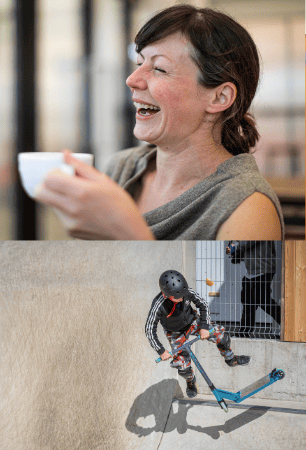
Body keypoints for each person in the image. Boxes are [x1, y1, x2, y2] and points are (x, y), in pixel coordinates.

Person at [36, 5, 282, 241]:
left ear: (220, 97)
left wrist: (129, 234)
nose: (132, 79)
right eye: (139, 63)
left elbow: (230, 287)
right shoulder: (122, 168)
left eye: (160, 69)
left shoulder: (249, 207)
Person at [146, 270, 249, 398]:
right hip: (175, 332)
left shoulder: (186, 291)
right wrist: (161, 350)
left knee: (220, 334)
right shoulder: (158, 304)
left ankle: (230, 358)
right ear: (166, 294)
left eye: (183, 295)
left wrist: (204, 327)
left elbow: (203, 305)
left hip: (193, 321)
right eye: (178, 298)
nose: (182, 298)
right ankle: (190, 382)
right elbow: (149, 330)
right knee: (182, 363)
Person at [227, 241, 281, 338]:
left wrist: (234, 247)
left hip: (262, 269)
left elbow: (247, 243)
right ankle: (243, 332)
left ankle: (288, 323)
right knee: (248, 303)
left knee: (264, 302)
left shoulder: (258, 227)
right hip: (252, 271)